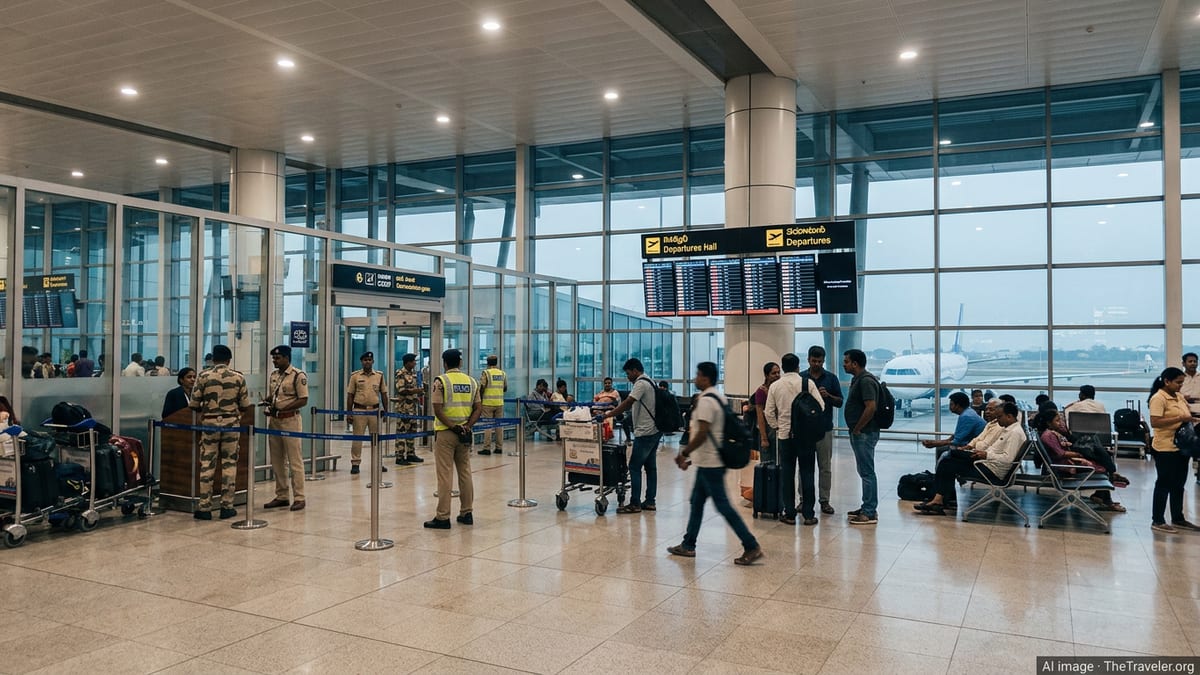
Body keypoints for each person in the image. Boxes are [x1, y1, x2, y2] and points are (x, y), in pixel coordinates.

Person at [667, 361, 764, 566]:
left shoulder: (706, 401)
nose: (695, 378)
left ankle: (751, 544)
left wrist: (684, 453)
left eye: (697, 375)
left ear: (705, 377)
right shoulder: (718, 397)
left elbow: (702, 433)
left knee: (723, 506)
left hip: (711, 464)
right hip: (707, 462)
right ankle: (688, 544)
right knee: (696, 502)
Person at [913, 402, 1026, 516]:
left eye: (999, 417)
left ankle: (939, 501)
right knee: (951, 457)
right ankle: (940, 500)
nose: (997, 420)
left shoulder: (1014, 433)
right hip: (987, 463)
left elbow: (1008, 458)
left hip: (992, 470)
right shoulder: (1009, 429)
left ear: (1009, 416)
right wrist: (981, 453)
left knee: (947, 463)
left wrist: (985, 455)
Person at [188, 345, 250, 521]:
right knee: (230, 464)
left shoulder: (203, 376)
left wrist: (207, 413)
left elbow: (193, 404)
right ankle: (227, 507)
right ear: (229, 360)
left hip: (209, 424)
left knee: (207, 464)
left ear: (213, 359)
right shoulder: (238, 377)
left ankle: (205, 508)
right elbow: (245, 405)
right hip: (231, 424)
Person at [764, 353, 824, 526]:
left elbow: (768, 412)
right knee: (807, 474)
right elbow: (821, 406)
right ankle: (808, 514)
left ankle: (789, 513)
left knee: (787, 475)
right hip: (806, 437)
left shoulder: (776, 386)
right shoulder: (807, 383)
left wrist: (777, 426)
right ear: (798, 367)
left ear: (783, 367)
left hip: (785, 437)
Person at [424, 348, 481, 529]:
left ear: (445, 363)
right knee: (465, 472)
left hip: (446, 433)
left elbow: (437, 408)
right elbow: (478, 408)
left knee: (445, 474)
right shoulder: (472, 382)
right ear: (460, 363)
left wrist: (452, 426)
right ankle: (467, 512)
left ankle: (442, 517)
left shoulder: (441, 381)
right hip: (464, 433)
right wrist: (467, 426)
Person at [1033, 409, 1126, 511]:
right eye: (1057, 420)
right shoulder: (1048, 436)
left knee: (1101, 458)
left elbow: (1069, 442)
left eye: (1061, 420)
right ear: (1049, 423)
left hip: (1068, 463)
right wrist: (1080, 454)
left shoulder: (1054, 433)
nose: (1061, 423)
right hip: (1065, 467)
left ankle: (1103, 495)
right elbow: (1061, 453)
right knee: (1104, 466)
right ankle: (1106, 496)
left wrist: (1065, 431)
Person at [602, 358, 661, 514]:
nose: (627, 377)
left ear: (635, 370)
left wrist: (609, 414)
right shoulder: (651, 381)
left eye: (628, 373)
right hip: (655, 430)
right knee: (650, 467)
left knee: (634, 466)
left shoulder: (641, 383)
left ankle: (635, 503)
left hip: (645, 431)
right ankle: (650, 501)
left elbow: (628, 402)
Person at [1147, 367, 1197, 533]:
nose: (1180, 386)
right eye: (1177, 382)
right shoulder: (1158, 398)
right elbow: (1155, 422)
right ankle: (1158, 520)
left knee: (1179, 484)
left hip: (1181, 447)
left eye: (1182, 383)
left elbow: (1186, 415)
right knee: (1164, 483)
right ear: (1167, 381)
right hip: (1165, 447)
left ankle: (1178, 517)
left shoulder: (1179, 397)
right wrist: (1180, 418)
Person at [262, 345, 309, 512]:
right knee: (277, 460)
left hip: (291, 421)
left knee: (294, 460)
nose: (274, 360)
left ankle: (299, 497)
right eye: (273, 358)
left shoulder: (298, 375)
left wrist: (282, 408)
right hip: (274, 421)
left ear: (287, 358)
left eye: (278, 358)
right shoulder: (274, 375)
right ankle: (282, 495)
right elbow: (276, 395)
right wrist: (268, 401)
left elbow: (303, 399)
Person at [842, 348, 880, 525]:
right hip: (861, 432)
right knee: (864, 470)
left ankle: (869, 511)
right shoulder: (857, 379)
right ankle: (867, 505)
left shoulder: (865, 381)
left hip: (864, 433)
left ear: (855, 364)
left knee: (867, 471)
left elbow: (870, 407)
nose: (844, 364)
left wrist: (857, 428)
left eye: (846, 361)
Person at [805, 346, 843, 515]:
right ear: (808, 360)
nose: (817, 364)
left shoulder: (831, 378)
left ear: (824, 360)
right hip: (805, 429)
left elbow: (840, 402)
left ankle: (824, 500)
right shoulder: (802, 378)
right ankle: (804, 500)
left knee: (825, 467)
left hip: (825, 428)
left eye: (820, 361)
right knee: (805, 467)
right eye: (814, 361)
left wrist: (828, 396)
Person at [742, 361, 780, 502]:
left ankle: (777, 495)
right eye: (773, 373)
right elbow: (760, 416)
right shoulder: (761, 391)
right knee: (767, 464)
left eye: (778, 372)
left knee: (779, 465)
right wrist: (764, 438)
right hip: (767, 431)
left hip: (779, 429)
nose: (777, 375)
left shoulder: (779, 388)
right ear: (766, 375)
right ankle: (766, 497)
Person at [346, 351, 387, 475]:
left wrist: (386, 411)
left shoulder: (379, 376)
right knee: (357, 438)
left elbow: (384, 394)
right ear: (361, 362)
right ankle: (355, 463)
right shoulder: (355, 376)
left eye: (369, 360)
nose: (367, 362)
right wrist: (349, 413)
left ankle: (378, 462)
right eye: (365, 360)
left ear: (373, 361)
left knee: (377, 438)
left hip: (375, 411)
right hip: (359, 411)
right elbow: (350, 395)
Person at [921, 392, 986, 460]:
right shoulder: (968, 412)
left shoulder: (966, 416)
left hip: (976, 448)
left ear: (957, 405)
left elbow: (957, 441)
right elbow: (956, 436)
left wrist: (935, 444)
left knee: (943, 454)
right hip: (972, 444)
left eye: (951, 404)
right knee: (941, 449)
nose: (949, 406)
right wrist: (935, 442)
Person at [393, 353, 424, 465]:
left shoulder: (414, 374)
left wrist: (420, 392)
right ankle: (399, 456)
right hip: (404, 408)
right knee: (402, 431)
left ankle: (410, 454)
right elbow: (401, 390)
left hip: (413, 408)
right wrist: (416, 391)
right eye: (413, 361)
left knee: (412, 431)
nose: (415, 363)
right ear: (407, 363)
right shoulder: (400, 373)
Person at [478, 355, 507, 456]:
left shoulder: (486, 373)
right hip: (499, 402)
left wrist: (480, 398)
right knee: (499, 426)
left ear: (488, 363)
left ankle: (487, 448)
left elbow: (482, 386)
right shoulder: (502, 373)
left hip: (488, 403)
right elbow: (505, 388)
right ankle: (499, 448)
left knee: (488, 425)